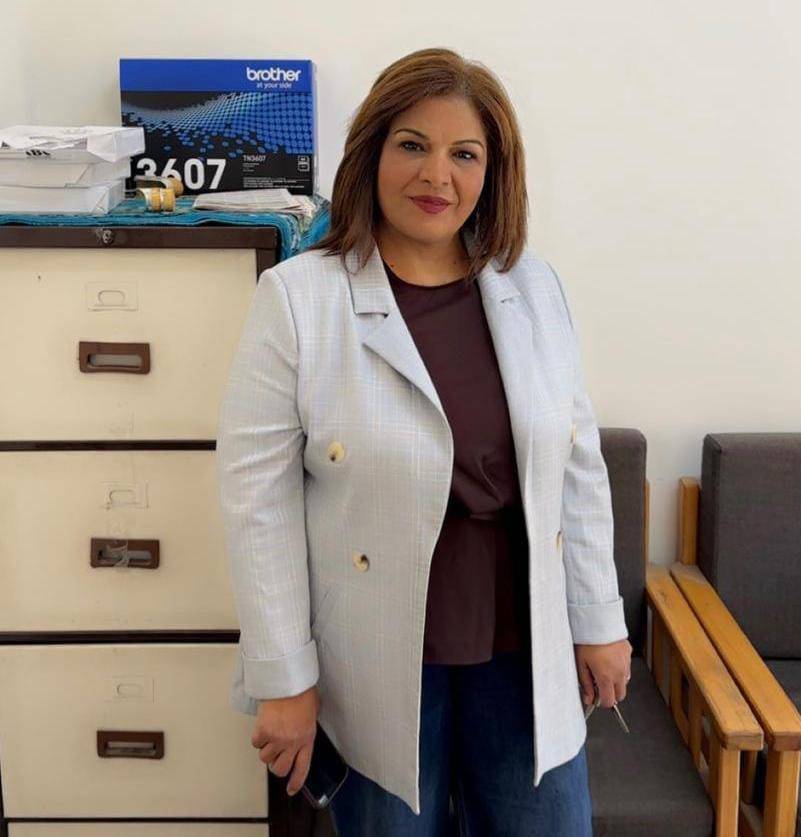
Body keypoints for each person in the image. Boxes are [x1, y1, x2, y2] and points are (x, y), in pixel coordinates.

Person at [216, 46, 632, 836]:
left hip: (524, 643)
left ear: (492, 173)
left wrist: (599, 619)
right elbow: (257, 504)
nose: (437, 175)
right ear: (372, 152)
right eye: (413, 144)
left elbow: (577, 466)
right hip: (377, 655)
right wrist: (284, 675)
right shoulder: (299, 299)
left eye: (464, 154)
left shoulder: (534, 287)